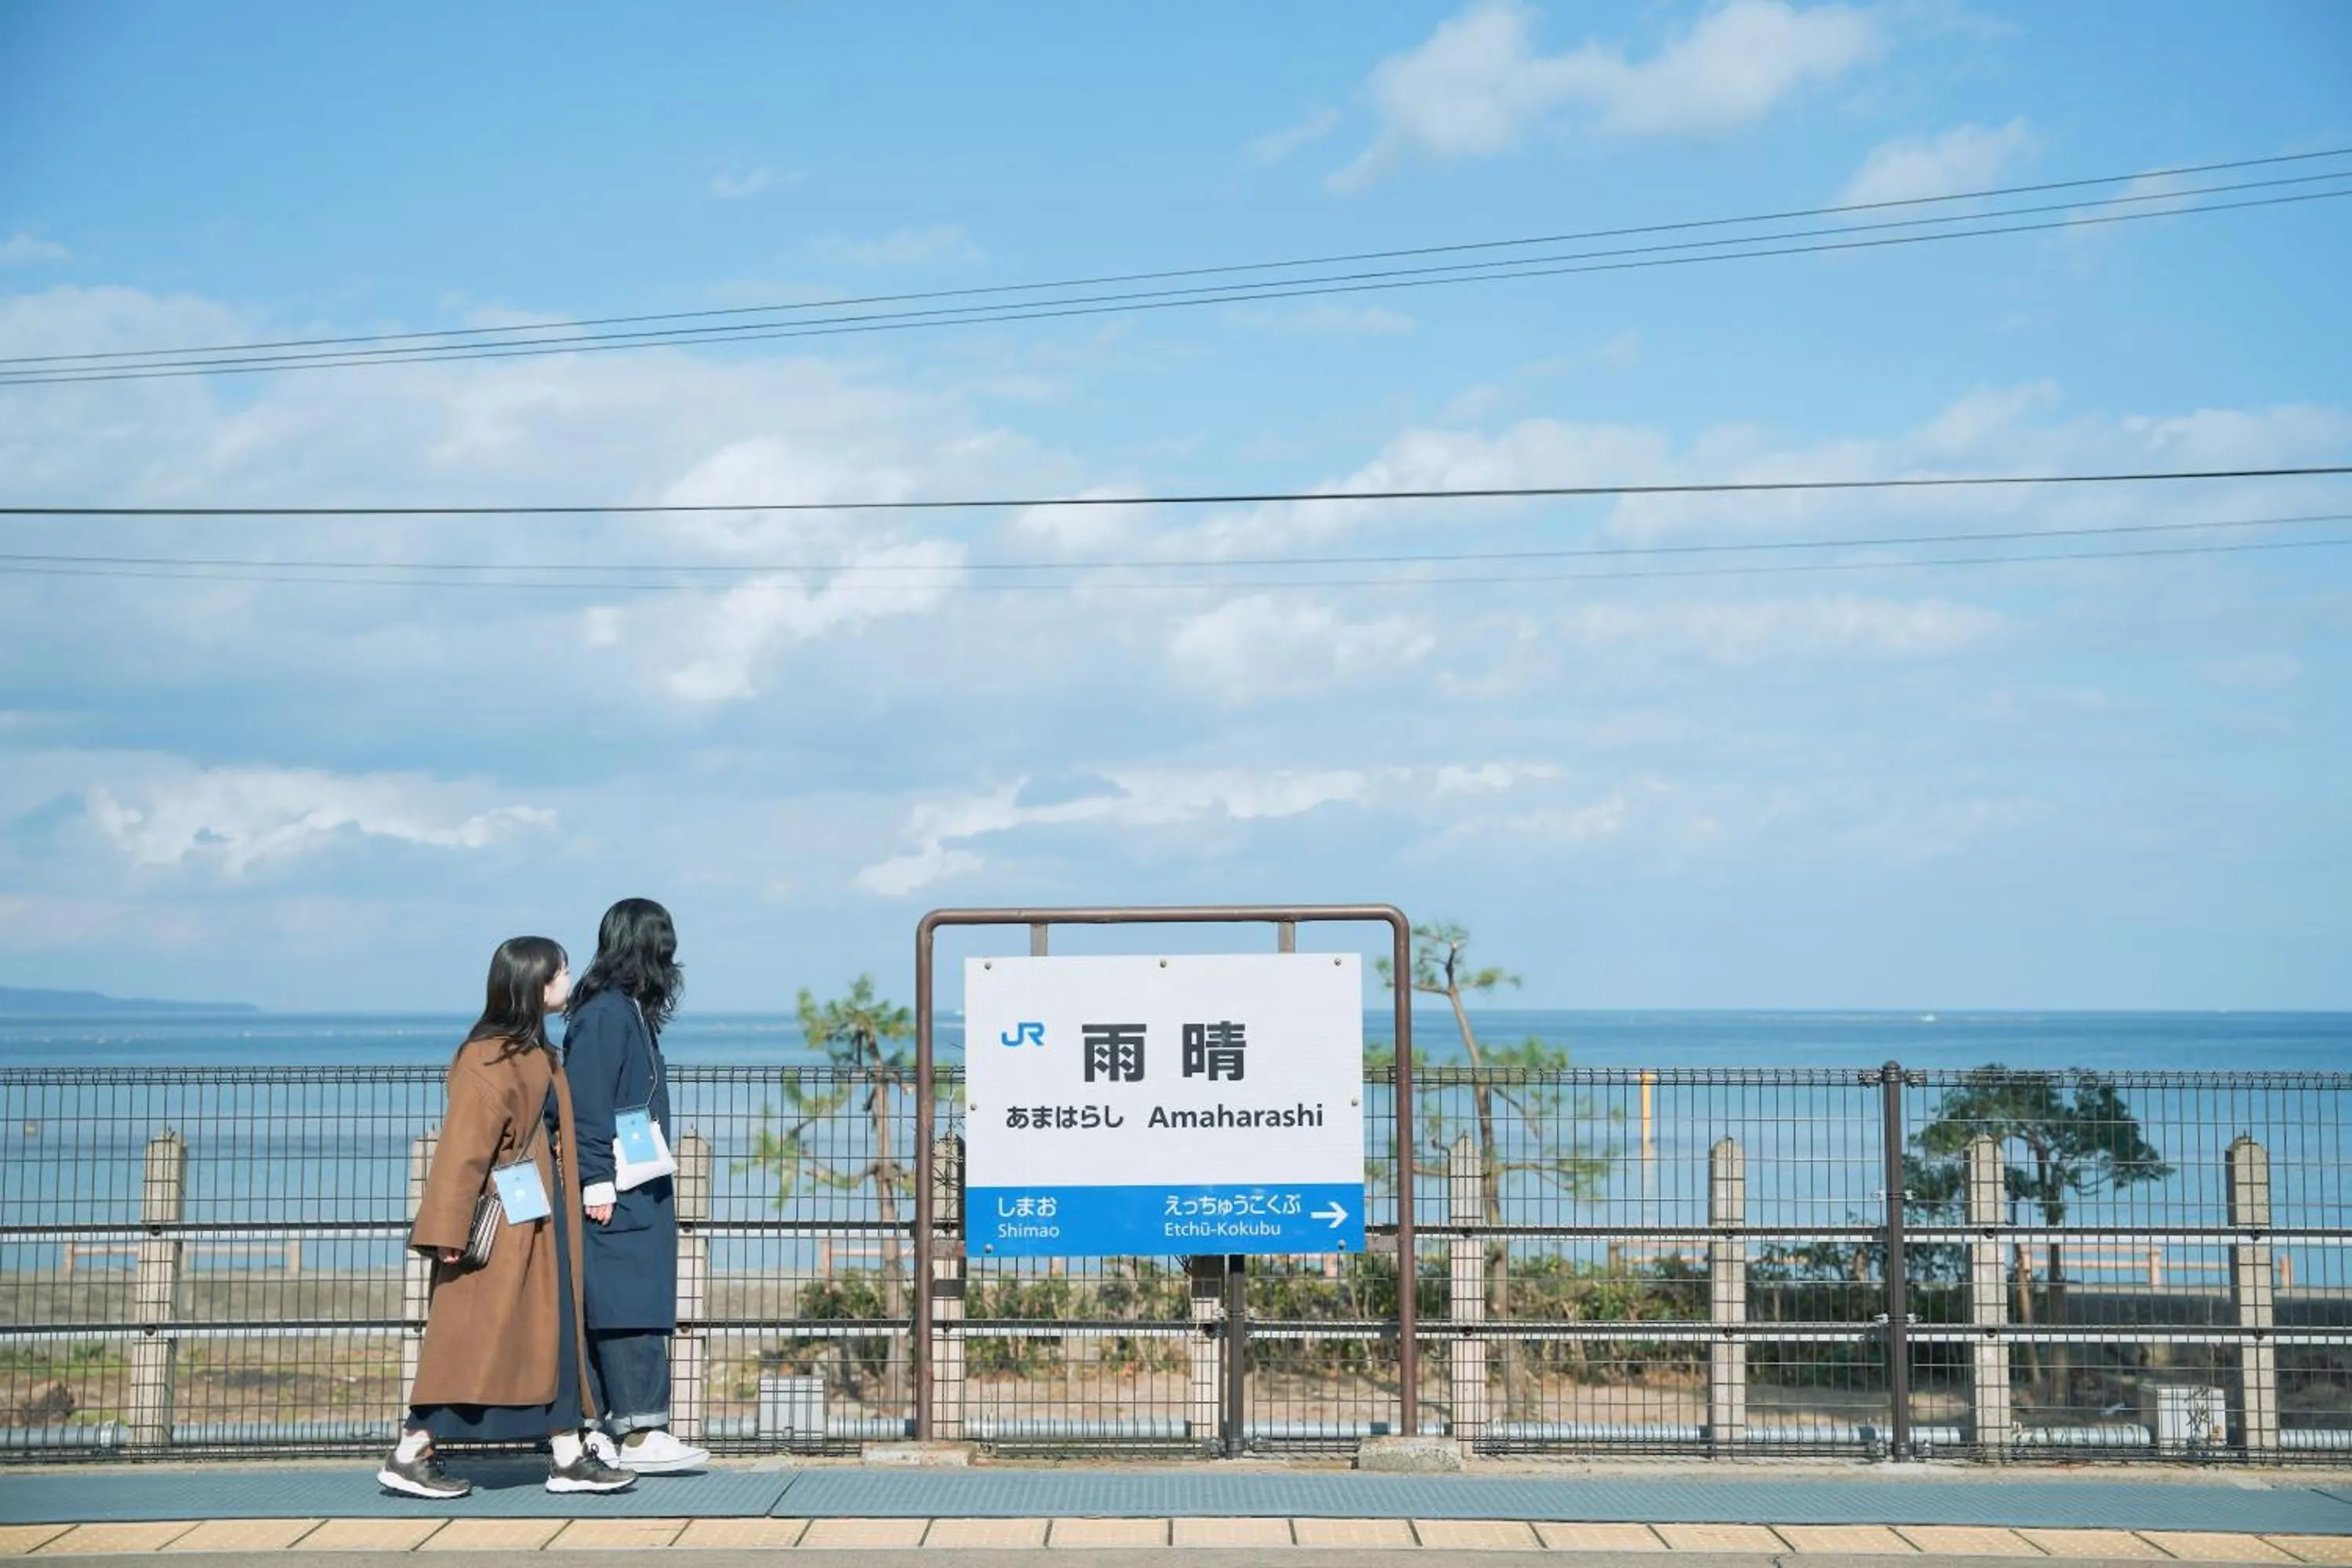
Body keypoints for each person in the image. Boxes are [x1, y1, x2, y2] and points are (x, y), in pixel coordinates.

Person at [379, 937, 635, 1499]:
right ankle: (410, 1450)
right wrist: (447, 1230)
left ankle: (567, 1454)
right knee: (476, 1341)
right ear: (533, 984)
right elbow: (462, 1149)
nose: (568, 982)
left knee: (555, 1337)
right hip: (504, 1228)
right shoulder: (488, 1057)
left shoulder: (537, 1051)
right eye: (560, 974)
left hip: (543, 1223)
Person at [564, 898, 711, 1474]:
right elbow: (589, 1105)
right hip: (619, 1188)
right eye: (665, 947)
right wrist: (596, 1180)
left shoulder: (627, 1011)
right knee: (626, 1306)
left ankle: (613, 1431)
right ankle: (639, 1432)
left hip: (638, 1183)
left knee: (635, 1302)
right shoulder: (605, 1015)